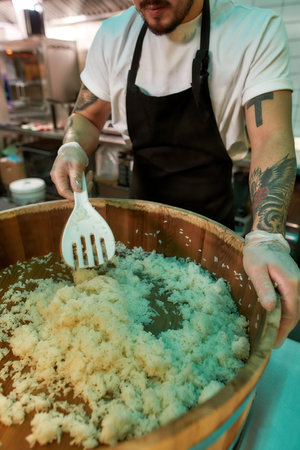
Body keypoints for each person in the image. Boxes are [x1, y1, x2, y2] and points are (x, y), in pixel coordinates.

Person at [50, 0, 300, 347]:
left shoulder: (254, 31)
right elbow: (88, 117)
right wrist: (72, 145)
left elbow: (271, 134)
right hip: (137, 233)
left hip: (212, 235)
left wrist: (268, 236)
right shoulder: (112, 35)